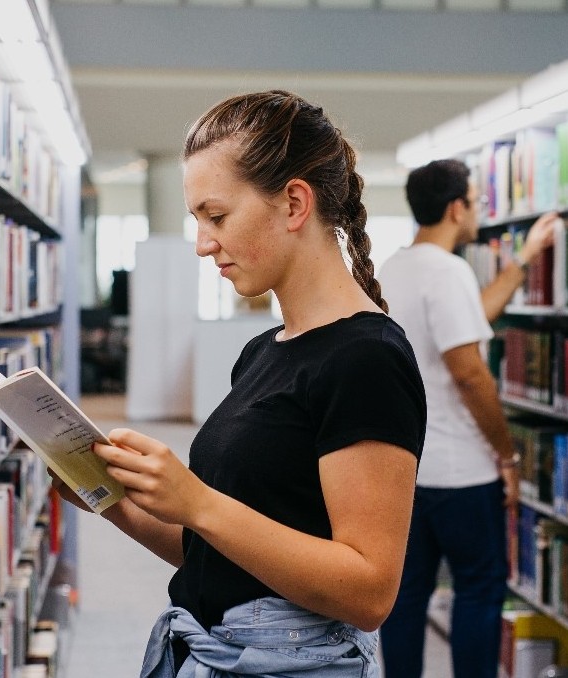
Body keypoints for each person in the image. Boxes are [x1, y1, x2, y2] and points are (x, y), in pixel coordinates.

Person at [53, 90, 427, 676]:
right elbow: (219, 555)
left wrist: (198, 502)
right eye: (198, 221)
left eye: (217, 217)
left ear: (294, 203)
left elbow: (368, 591)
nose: (203, 244)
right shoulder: (262, 352)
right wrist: (110, 499)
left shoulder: (367, 360)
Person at [377, 159, 559, 678]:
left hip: (408, 469)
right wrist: (508, 455)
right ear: (456, 208)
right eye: (477, 202)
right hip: (461, 472)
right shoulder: (448, 270)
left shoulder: (393, 268)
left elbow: (471, 316)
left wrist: (524, 258)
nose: (479, 212)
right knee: (479, 589)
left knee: (406, 594)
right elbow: (470, 373)